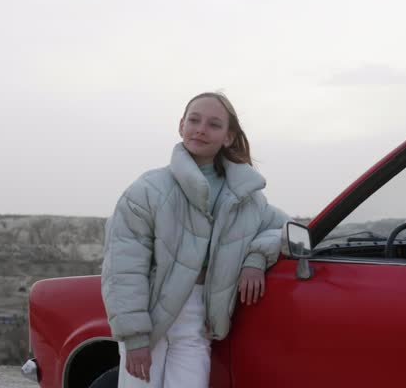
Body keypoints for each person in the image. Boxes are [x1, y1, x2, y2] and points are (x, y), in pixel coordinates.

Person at [101, 92, 288, 387]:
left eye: (214, 124)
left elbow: (284, 229)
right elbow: (123, 268)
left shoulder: (246, 196)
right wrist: (135, 339)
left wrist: (256, 257)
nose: (201, 129)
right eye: (194, 120)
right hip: (149, 319)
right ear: (181, 126)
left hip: (198, 320)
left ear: (228, 137)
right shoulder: (149, 189)